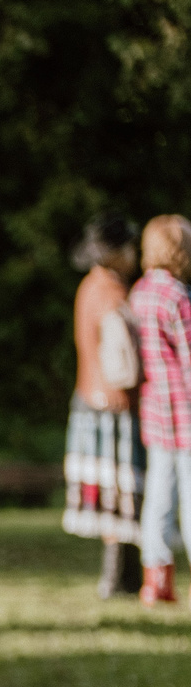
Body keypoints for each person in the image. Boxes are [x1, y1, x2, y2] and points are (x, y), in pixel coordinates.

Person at [65, 216, 144, 598]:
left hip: (89, 400)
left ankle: (120, 578)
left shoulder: (88, 287)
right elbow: (123, 365)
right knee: (122, 494)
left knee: (115, 496)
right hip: (113, 406)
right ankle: (118, 580)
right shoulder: (113, 295)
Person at [133, 216, 191, 606]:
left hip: (155, 410)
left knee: (157, 495)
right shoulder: (178, 297)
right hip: (185, 412)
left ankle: (155, 580)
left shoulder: (139, 293)